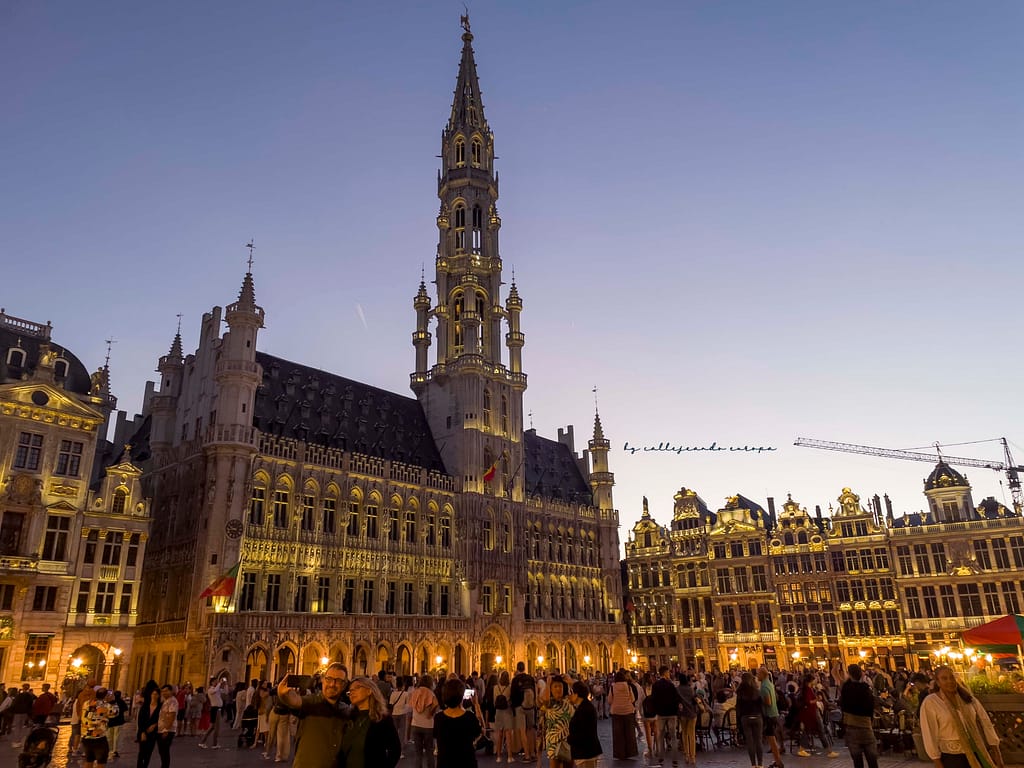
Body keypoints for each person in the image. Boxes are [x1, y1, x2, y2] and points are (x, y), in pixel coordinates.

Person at [919, 666, 1004, 768]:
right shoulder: (931, 702)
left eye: (952, 677)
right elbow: (929, 733)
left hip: (976, 750)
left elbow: (986, 723)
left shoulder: (967, 698)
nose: (949, 681)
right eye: (944, 678)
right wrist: (937, 762)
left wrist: (996, 752)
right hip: (951, 756)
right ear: (937, 682)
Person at [276, 662, 351, 768]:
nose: (332, 684)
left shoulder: (346, 710)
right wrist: (282, 693)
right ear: (323, 680)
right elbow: (295, 701)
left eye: (338, 681)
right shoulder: (311, 702)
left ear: (344, 685)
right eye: (329, 679)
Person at [333, 676, 400, 768]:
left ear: (369, 691)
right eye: (350, 691)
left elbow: (395, 751)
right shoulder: (349, 717)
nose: (352, 692)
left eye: (356, 688)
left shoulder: (382, 719)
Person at [433, 677, 481, 768]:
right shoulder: (469, 717)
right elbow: (480, 731)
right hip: (466, 761)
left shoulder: (439, 718)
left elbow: (435, 735)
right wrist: (476, 704)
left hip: (445, 762)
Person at [839, 664, 878, 768]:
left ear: (849, 674)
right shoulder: (866, 689)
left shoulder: (846, 689)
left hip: (851, 727)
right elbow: (871, 707)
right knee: (872, 760)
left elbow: (839, 678)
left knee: (857, 761)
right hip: (866, 726)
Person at [541, 677, 574, 768]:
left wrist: (571, 683)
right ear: (551, 689)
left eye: (560, 686)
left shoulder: (568, 701)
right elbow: (544, 699)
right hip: (554, 742)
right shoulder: (550, 703)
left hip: (568, 740)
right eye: (555, 687)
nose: (558, 689)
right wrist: (548, 684)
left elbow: (580, 696)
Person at [568, 680, 602, 768]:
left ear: (576, 694)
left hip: (585, 752)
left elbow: (582, 731)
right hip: (586, 751)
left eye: (571, 693)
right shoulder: (585, 706)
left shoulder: (584, 709)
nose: (569, 696)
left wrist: (569, 739)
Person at [650, 665, 682, 758]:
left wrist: (656, 710)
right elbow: (676, 698)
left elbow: (653, 699)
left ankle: (661, 756)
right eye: (668, 672)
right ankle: (675, 758)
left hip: (661, 713)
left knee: (660, 735)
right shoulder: (670, 684)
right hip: (671, 713)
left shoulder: (655, 685)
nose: (669, 674)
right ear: (665, 673)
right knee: (673, 735)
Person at [509, 661, 537, 763]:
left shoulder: (515, 680)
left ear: (517, 668)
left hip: (519, 707)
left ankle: (527, 755)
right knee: (530, 730)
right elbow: (535, 692)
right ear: (524, 668)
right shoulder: (530, 678)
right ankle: (533, 753)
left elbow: (512, 695)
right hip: (530, 707)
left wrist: (514, 707)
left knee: (522, 731)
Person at [409, 675, 439, 768]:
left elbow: (411, 705)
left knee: (418, 753)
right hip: (428, 726)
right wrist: (431, 713)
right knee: (429, 751)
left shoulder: (415, 692)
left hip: (415, 724)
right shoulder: (431, 693)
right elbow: (436, 704)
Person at [736, 672, 765, 768]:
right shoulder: (756, 690)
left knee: (750, 741)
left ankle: (753, 764)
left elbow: (738, 707)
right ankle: (760, 764)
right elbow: (761, 705)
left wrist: (738, 720)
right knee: (758, 740)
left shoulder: (740, 691)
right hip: (757, 716)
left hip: (745, 717)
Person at [758, 667, 785, 768]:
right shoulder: (770, 684)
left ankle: (778, 761)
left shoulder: (764, 686)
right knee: (772, 739)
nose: (757, 676)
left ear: (762, 674)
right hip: (774, 713)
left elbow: (768, 702)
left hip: (769, 714)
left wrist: (760, 700)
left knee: (772, 739)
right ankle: (777, 760)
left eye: (758, 674)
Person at [135, 682, 162, 768]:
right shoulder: (145, 706)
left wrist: (155, 725)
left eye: (156, 694)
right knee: (141, 752)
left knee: (148, 753)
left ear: (158, 696)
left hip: (153, 733)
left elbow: (162, 719)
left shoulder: (160, 707)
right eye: (153, 694)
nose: (154, 696)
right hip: (143, 731)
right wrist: (142, 732)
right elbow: (140, 720)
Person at [490, 670, 515, 763]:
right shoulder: (509, 687)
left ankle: (498, 756)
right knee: (508, 735)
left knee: (499, 734)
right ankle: (509, 756)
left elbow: (494, 701)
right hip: (507, 712)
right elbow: (511, 701)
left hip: (498, 712)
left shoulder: (495, 687)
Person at [198, 677, 227, 749]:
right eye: (215, 682)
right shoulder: (210, 690)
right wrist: (219, 683)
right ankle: (214, 743)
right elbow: (215, 690)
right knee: (216, 727)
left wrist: (225, 684)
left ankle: (203, 741)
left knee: (213, 727)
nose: (216, 683)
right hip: (215, 709)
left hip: (218, 708)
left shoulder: (217, 689)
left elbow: (225, 692)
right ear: (211, 683)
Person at [678, 673, 698, 766]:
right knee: (692, 735)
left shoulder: (678, 689)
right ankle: (693, 757)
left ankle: (686, 755)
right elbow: (694, 699)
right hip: (692, 713)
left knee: (684, 735)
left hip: (683, 714)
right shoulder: (690, 689)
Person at [156, 685, 178, 767]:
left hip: (168, 730)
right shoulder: (165, 700)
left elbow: (172, 716)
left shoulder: (173, 701)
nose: (164, 693)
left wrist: (166, 729)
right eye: (162, 691)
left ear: (171, 691)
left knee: (164, 751)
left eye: (166, 691)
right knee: (162, 751)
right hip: (161, 729)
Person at [389, 676, 412, 754]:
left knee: (394, 732)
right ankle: (401, 750)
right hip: (402, 713)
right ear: (403, 685)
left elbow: (391, 704)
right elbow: (408, 704)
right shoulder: (406, 694)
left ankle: (393, 748)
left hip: (394, 713)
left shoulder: (393, 694)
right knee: (402, 733)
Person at [107, 690, 127, 759]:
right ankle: (115, 751)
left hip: (111, 722)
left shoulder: (110, 702)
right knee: (116, 737)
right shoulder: (122, 702)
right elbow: (125, 709)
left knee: (110, 736)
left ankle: (109, 750)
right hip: (119, 721)